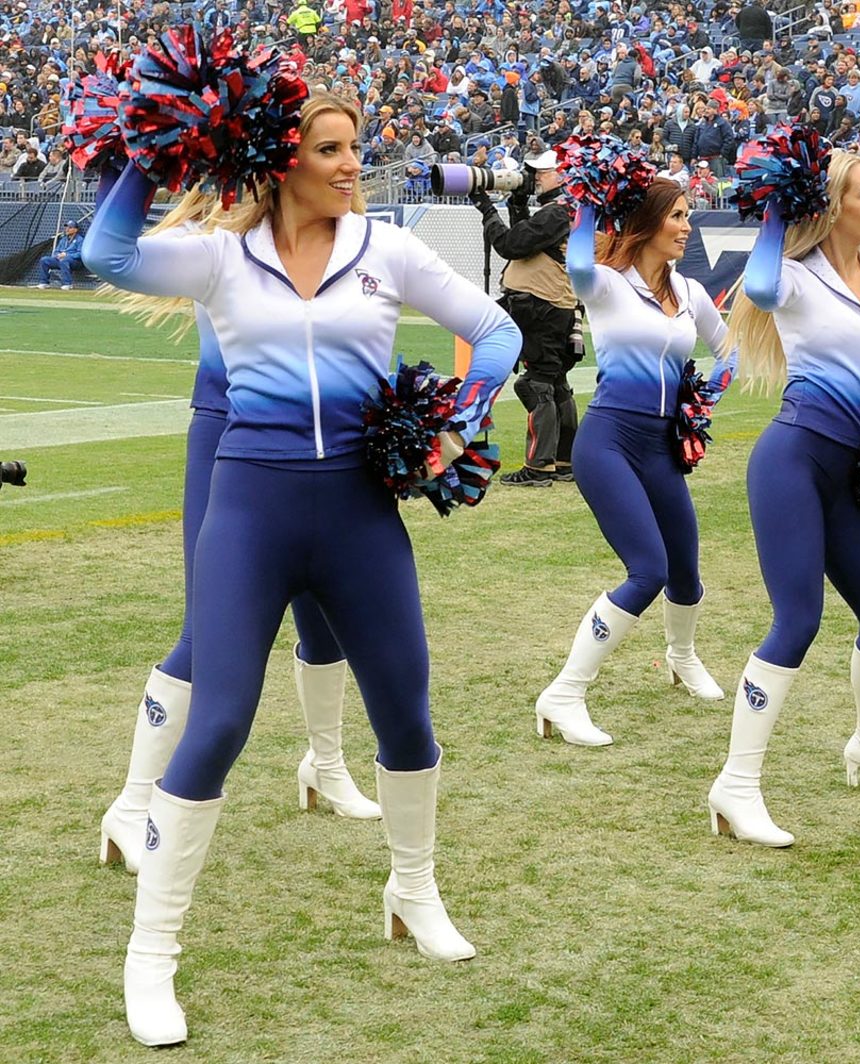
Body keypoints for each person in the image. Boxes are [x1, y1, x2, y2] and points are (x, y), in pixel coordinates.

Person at [83, 91, 521, 1047]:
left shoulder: (388, 251)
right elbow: (106, 256)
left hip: (359, 514)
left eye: (355, 146)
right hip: (250, 509)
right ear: (284, 164)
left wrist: (463, 419)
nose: (351, 163)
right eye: (330, 149)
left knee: (406, 713)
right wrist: (156, 156)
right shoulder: (222, 257)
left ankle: (413, 894)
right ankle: (150, 960)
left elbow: (500, 334)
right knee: (224, 718)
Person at [98, 189, 382, 882]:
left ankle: (326, 767)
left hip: (322, 445)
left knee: (328, 620)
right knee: (206, 632)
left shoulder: (343, 236)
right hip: (229, 435)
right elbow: (111, 252)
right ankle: (131, 808)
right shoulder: (215, 237)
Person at [708, 149, 860, 849]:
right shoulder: (797, 280)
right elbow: (765, 285)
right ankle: (735, 786)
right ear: (833, 205)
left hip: (854, 473)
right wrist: (780, 204)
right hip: (795, 462)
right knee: (798, 619)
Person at [536, 177, 737, 747]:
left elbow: (732, 350)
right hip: (608, 442)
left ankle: (682, 658)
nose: (686, 227)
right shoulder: (605, 284)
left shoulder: (691, 292)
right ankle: (565, 693)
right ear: (647, 223)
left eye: (687, 216)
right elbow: (576, 263)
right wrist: (586, 202)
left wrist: (704, 395)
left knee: (686, 571)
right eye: (677, 216)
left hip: (661, 447)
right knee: (647, 569)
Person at [472, 149, 580, 486]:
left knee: (536, 385)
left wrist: (486, 207)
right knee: (555, 384)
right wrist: (516, 203)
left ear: (562, 175)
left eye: (540, 172)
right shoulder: (562, 211)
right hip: (554, 306)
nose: (533, 178)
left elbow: (510, 245)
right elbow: (527, 240)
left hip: (542, 307)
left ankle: (539, 467)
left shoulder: (559, 213)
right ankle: (563, 462)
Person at [37, 219, 84, 289]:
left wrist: (67, 255)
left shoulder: (80, 239)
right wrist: (58, 255)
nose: (67, 229)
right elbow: (56, 251)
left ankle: (67, 284)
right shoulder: (63, 239)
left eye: (70, 227)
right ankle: (44, 282)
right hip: (60, 259)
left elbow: (80, 254)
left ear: (75, 230)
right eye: (66, 227)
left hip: (75, 262)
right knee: (44, 260)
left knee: (64, 260)